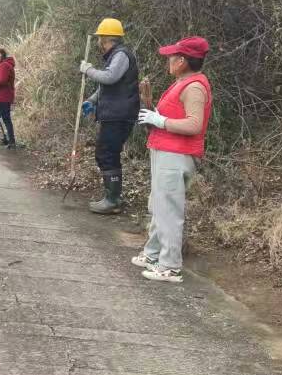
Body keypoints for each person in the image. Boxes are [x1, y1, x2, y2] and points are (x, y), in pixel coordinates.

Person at [131, 36, 212, 284]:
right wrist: (156, 115)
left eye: (173, 57)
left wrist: (161, 121)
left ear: (183, 61)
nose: (169, 60)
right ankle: (154, 254)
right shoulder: (183, 82)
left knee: (168, 210)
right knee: (158, 205)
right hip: (166, 151)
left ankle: (169, 266)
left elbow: (194, 124)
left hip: (176, 155)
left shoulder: (194, 87)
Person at [79, 18, 140, 214]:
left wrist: (88, 70)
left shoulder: (121, 55)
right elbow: (107, 85)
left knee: (107, 154)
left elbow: (110, 77)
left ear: (105, 39)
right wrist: (92, 101)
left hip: (119, 115)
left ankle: (113, 200)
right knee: (106, 153)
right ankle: (112, 197)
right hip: (114, 114)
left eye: (100, 38)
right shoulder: (114, 55)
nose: (98, 42)